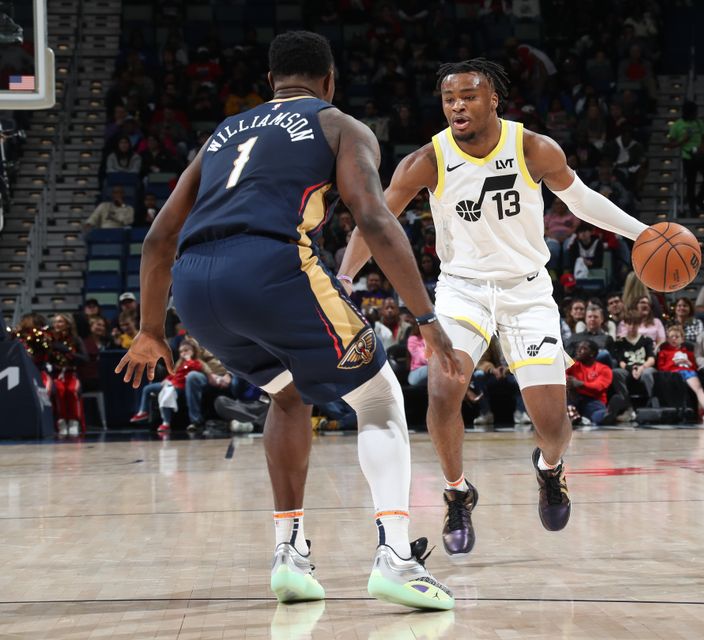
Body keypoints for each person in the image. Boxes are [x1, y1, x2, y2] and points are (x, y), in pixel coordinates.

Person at [115, 32, 460, 611]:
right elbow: (373, 219)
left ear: (270, 82)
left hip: (196, 288)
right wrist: (425, 317)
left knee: (288, 395)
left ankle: (288, 553)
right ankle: (396, 559)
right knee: (379, 398)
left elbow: (158, 238)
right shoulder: (340, 125)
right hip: (270, 267)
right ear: (329, 81)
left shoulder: (223, 133)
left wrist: (152, 329)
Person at [337, 58, 648, 554]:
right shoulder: (428, 159)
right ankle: (457, 493)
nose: (457, 105)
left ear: (493, 99)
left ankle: (550, 469)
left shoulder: (532, 148)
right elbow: (375, 218)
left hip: (527, 292)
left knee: (551, 424)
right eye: (449, 99)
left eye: (468, 96)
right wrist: (345, 277)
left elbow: (582, 200)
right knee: (444, 387)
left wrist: (643, 233)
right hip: (463, 290)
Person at [667, 100, 704, 216]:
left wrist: (703, 147)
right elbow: (670, 144)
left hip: (701, 155)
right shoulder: (677, 125)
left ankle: (699, 198)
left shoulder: (698, 123)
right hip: (688, 156)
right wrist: (683, 140)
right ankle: (693, 209)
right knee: (690, 183)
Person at [566, 341, 625, 425]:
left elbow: (599, 386)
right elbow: (560, 373)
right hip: (574, 398)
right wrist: (568, 379)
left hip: (593, 400)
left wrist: (581, 384)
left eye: (583, 348)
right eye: (578, 348)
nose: (578, 350)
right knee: (566, 396)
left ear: (592, 353)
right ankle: (574, 417)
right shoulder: (573, 365)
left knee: (596, 415)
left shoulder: (604, 369)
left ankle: (608, 414)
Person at [656, 325, 704, 414]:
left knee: (698, 388)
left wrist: (688, 363)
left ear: (682, 339)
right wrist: (674, 363)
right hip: (673, 374)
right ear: (668, 339)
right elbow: (661, 368)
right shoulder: (664, 352)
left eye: (677, 337)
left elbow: (695, 368)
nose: (674, 339)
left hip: (688, 372)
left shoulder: (689, 353)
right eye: (671, 337)